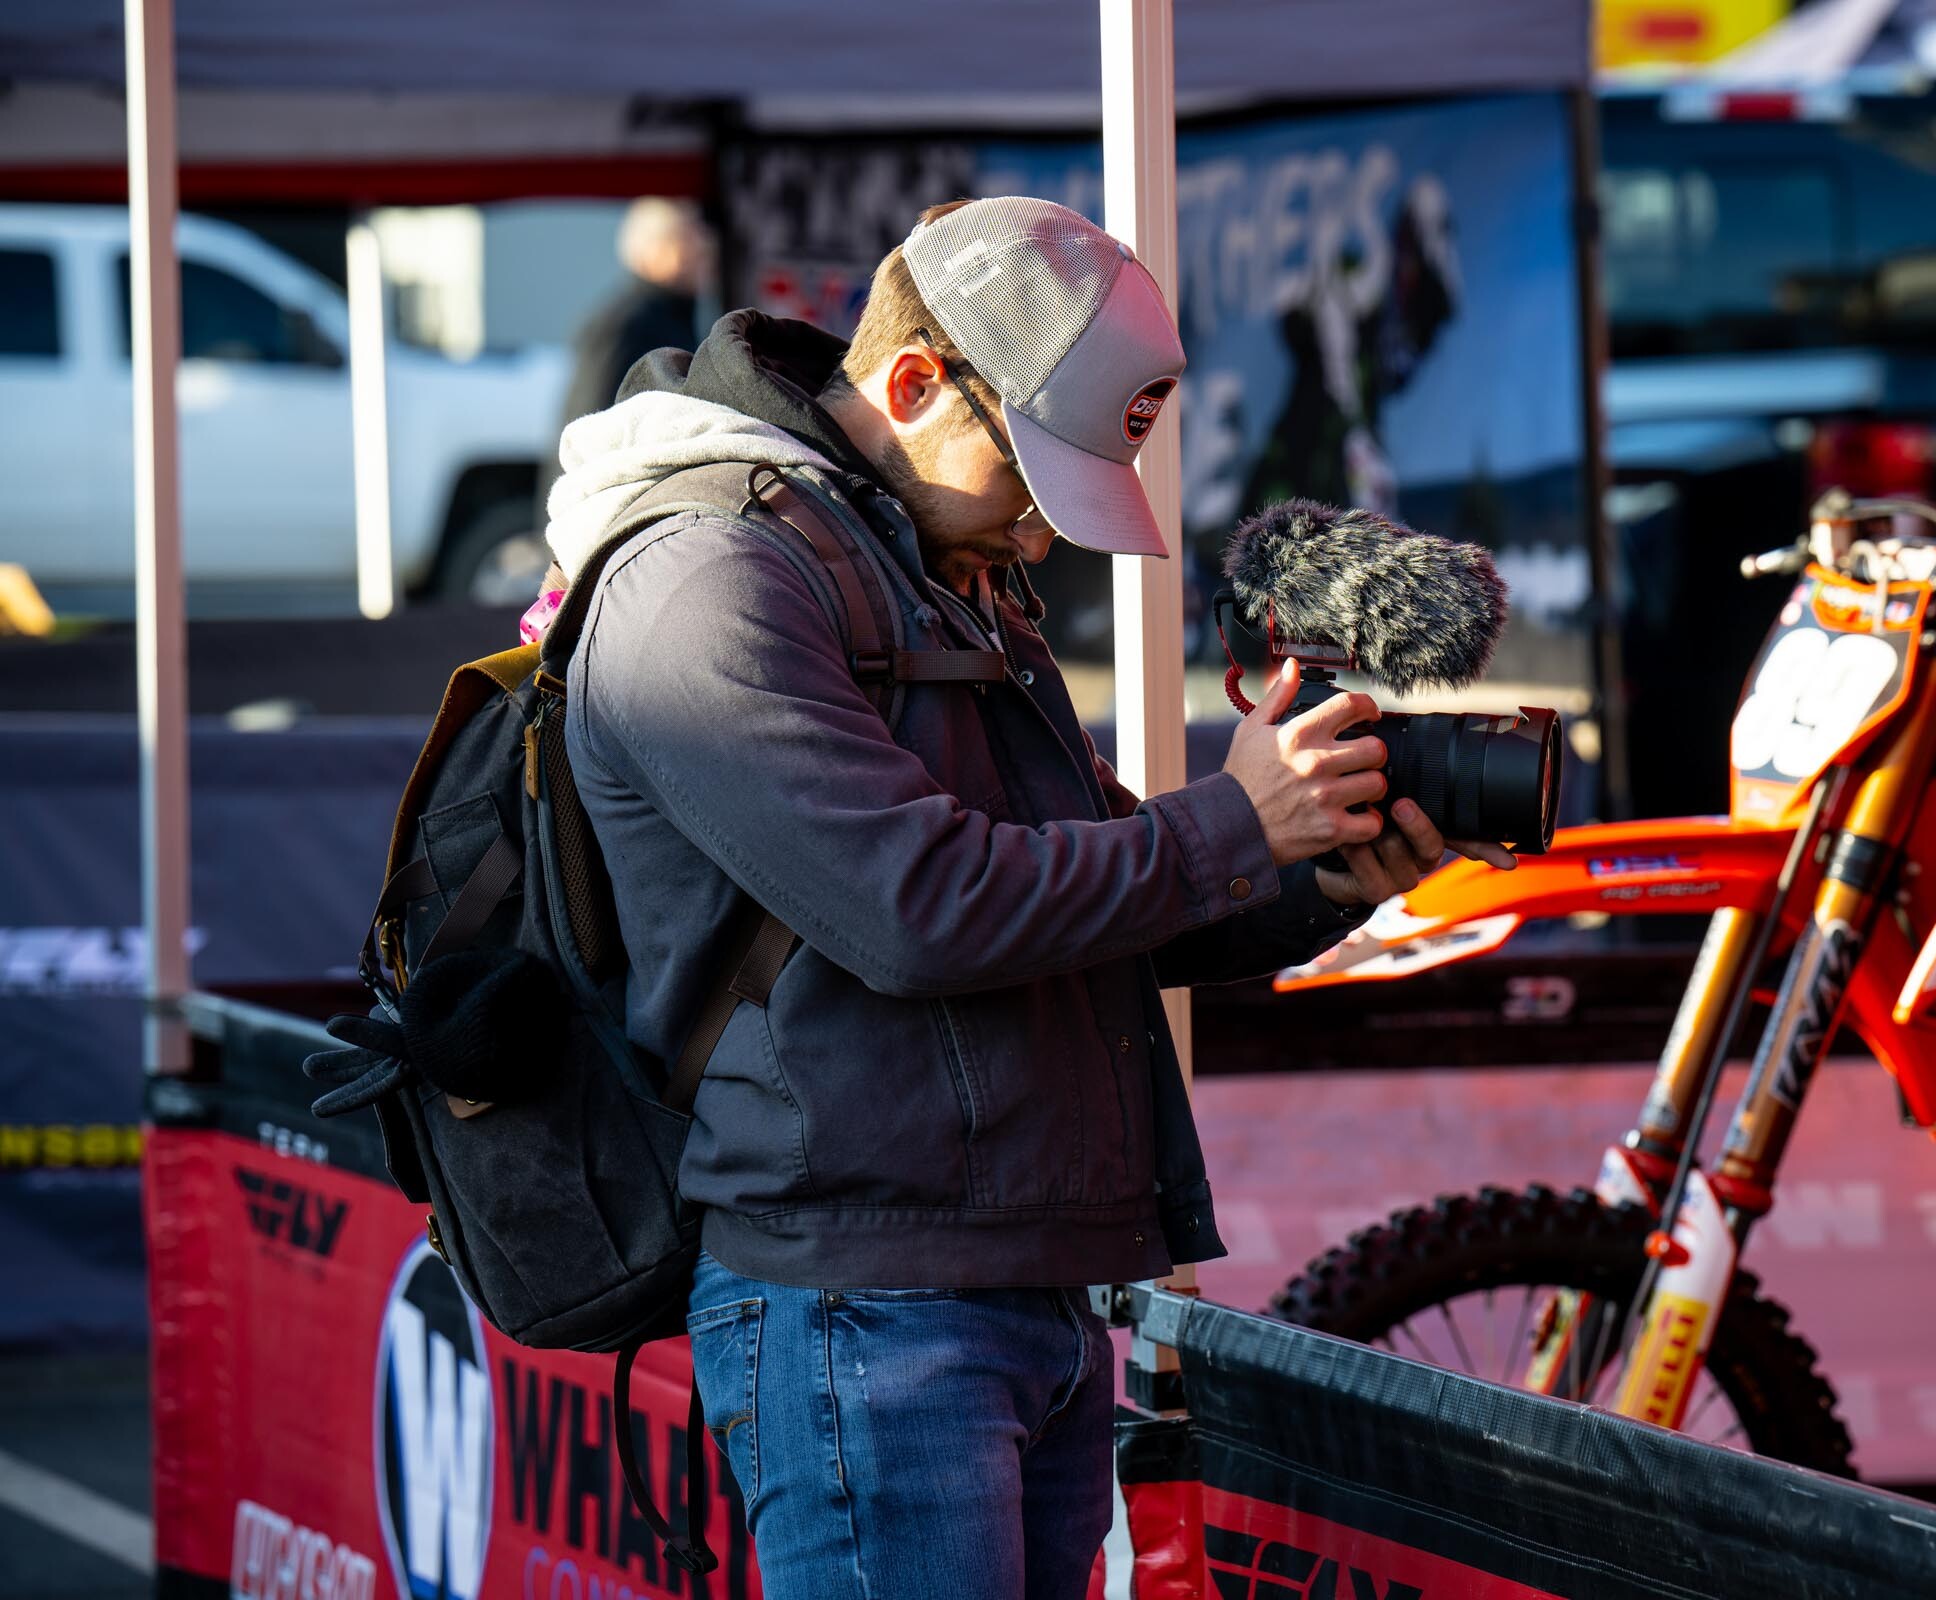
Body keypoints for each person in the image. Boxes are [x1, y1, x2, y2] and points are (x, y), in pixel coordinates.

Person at [547, 196, 1515, 1597]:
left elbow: (1093, 901)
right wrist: (1234, 818)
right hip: (863, 1309)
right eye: (1032, 473)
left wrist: (1330, 872)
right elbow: (918, 908)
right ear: (914, 383)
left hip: (1021, 1291)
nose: (1048, 536)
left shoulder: (939, 569)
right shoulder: (702, 579)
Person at [558, 197, 715, 435]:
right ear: (652, 251)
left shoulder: (674, 315)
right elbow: (588, 420)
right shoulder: (626, 323)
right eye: (687, 238)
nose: (702, 249)